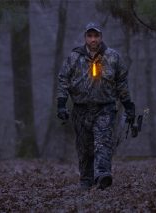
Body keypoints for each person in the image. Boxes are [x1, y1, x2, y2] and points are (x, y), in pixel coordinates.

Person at [57, 22, 135, 190]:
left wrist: (128, 105)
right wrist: (61, 105)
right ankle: (86, 180)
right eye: (90, 36)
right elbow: (63, 80)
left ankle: (102, 175)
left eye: (96, 36)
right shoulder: (74, 57)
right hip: (81, 109)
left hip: (105, 108)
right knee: (84, 147)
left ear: (101, 37)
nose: (93, 39)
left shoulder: (113, 57)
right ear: (85, 37)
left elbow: (122, 83)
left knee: (103, 142)